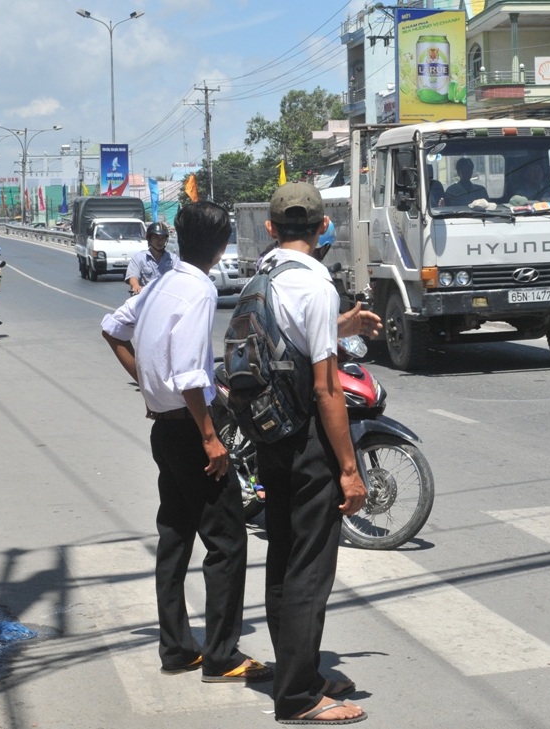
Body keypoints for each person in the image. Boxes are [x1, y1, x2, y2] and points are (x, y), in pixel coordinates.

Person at [100, 202, 272, 685]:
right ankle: (221, 656)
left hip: (165, 427)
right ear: (221, 247)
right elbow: (192, 374)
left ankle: (177, 648)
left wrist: (149, 387)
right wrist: (210, 437)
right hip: (193, 428)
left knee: (175, 537)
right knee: (227, 542)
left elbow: (112, 328)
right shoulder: (197, 288)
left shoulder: (161, 282)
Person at [256, 182, 378, 725]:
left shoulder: (264, 274)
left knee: (283, 555)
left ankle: (294, 671)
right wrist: (349, 470)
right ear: (323, 226)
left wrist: (342, 324)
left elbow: (293, 341)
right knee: (311, 566)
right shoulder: (317, 284)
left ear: (271, 227)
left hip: (269, 432)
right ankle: (300, 696)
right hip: (306, 436)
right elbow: (328, 389)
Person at [125, 222, 175, 296]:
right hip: (145, 298)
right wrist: (136, 286)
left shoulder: (173, 259)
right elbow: (132, 276)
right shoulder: (139, 258)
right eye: (156, 238)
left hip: (167, 298)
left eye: (162, 238)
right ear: (149, 239)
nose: (159, 241)